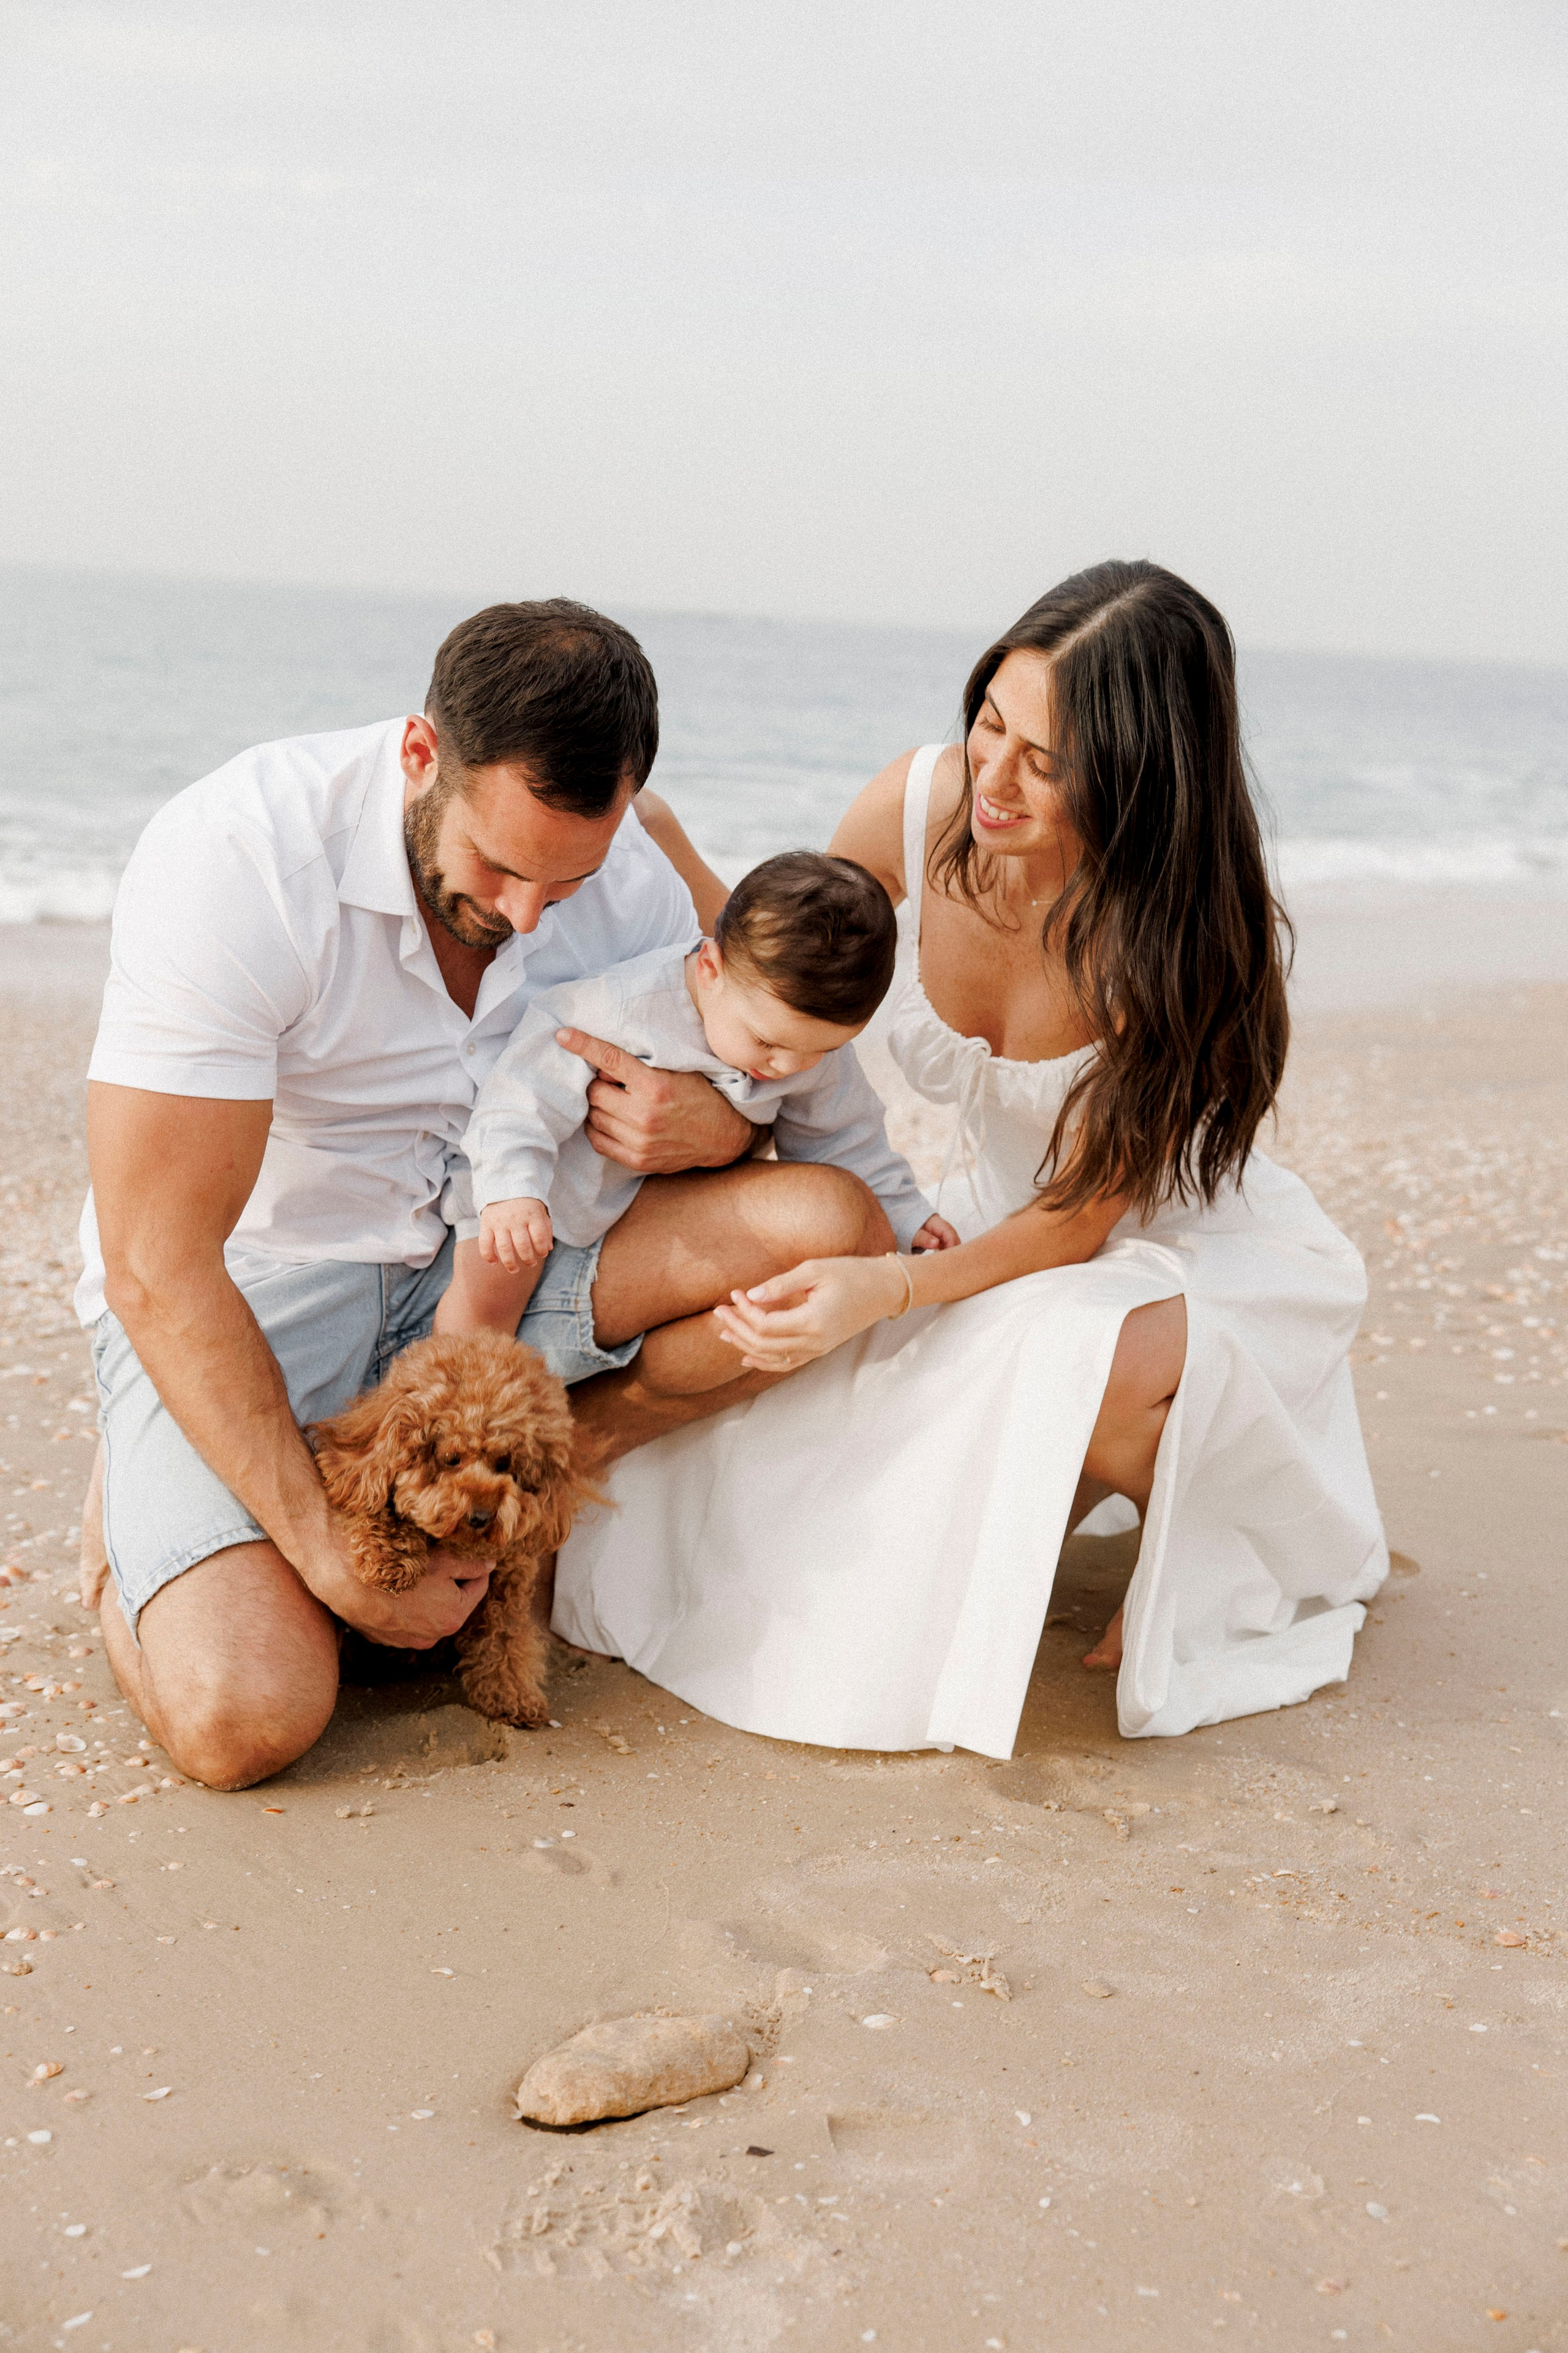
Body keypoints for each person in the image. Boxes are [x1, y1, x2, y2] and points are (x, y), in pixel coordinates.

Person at [554, 562, 1388, 1754]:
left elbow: (1069, 1229)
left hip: (1144, 1246)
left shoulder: (1178, 945)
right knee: (771, 1416)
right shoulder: (919, 803)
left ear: (1139, 771)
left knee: (1064, 1350)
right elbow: (775, 965)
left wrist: (882, 1288)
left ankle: (1168, 1487)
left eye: (1041, 759)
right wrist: (678, 867)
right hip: (962, 1213)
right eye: (987, 722)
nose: (990, 779)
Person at [76, 600, 898, 1791]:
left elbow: (759, 1063)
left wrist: (715, 1121)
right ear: (422, 757)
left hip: (511, 1252)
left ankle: (557, 1474)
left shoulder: (623, 877)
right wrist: (326, 1554)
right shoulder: (241, 855)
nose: (524, 916)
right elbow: (157, 1260)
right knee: (248, 1716)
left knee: (830, 1229)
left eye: (561, 886)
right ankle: (128, 1531)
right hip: (269, 1280)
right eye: (499, 867)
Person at [436, 848, 955, 1339]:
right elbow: (520, 1095)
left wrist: (906, 1211)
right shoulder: (620, 1010)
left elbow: (846, 1136)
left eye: (820, 1050)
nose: (789, 1067)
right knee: (490, 1298)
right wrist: (511, 1190)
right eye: (766, 1042)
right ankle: (438, 1393)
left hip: (629, 1207)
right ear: (710, 969)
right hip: (531, 1184)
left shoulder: (802, 1039)